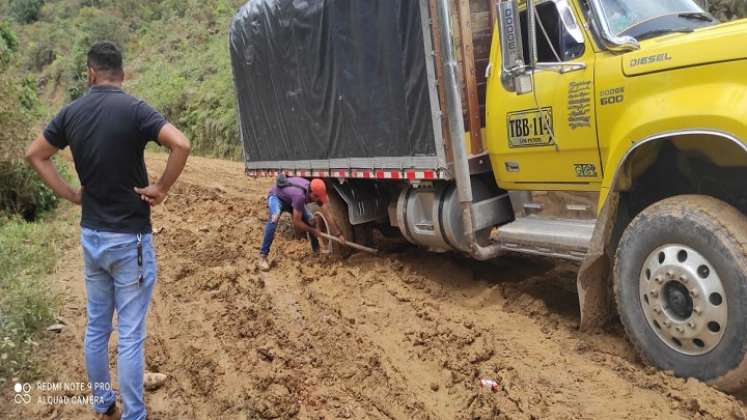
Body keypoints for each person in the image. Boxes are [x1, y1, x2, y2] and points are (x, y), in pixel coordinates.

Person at [25, 41, 191, 420]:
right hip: (129, 239)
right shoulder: (135, 110)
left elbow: (35, 154)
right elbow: (181, 143)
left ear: (90, 73)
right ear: (123, 74)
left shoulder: (70, 113)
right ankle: (134, 414)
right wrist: (161, 188)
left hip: (92, 237)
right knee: (131, 334)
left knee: (97, 328)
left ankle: (103, 403)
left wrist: (70, 194)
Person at [259, 176, 345, 270]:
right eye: (317, 198)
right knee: (273, 220)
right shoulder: (300, 196)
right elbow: (297, 222)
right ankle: (263, 257)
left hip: (291, 200)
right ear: (312, 194)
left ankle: (316, 251)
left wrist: (338, 234)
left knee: (312, 221)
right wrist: (313, 231)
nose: (317, 201)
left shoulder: (314, 192)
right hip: (277, 197)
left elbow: (328, 215)